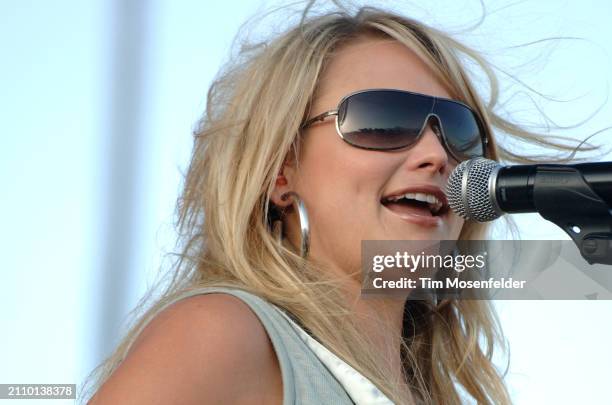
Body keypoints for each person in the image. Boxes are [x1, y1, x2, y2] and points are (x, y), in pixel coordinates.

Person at [83, 2, 593, 404]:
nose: (438, 155)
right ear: (280, 171)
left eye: (460, 133)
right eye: (384, 120)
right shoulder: (224, 333)